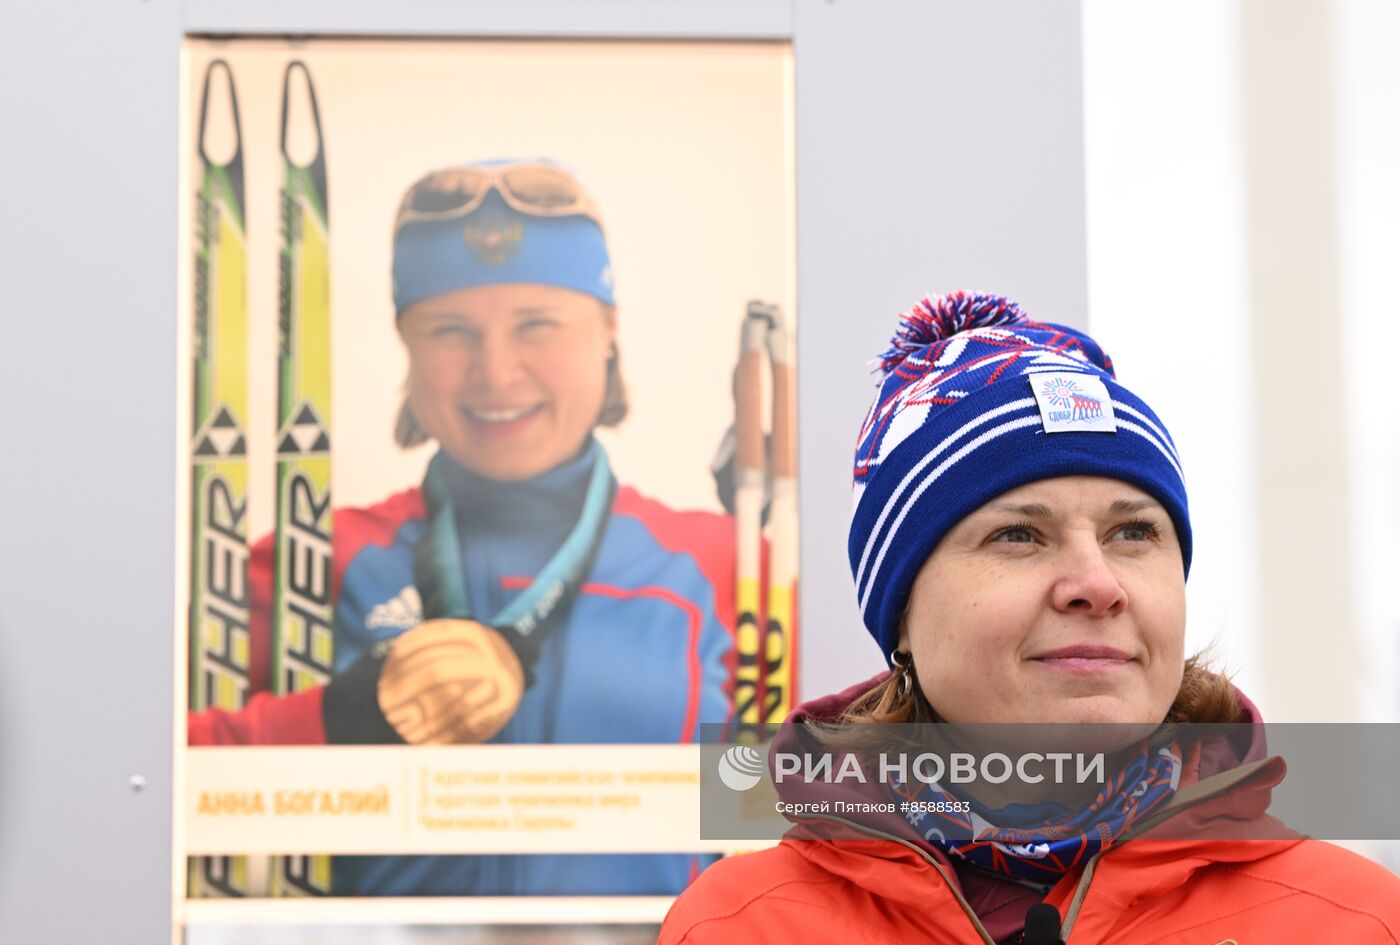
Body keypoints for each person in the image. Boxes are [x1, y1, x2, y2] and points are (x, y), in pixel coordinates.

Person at [660, 291, 1400, 943]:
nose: (1097, 583)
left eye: (1134, 532)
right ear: (903, 617)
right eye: (1019, 534)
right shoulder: (739, 925)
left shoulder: (1355, 921)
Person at [189, 159, 744, 896]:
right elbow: (135, 785)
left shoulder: (720, 567)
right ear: (407, 345)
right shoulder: (311, 563)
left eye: (537, 325)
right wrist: (337, 719)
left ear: (608, 330)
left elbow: (858, 810)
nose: (496, 370)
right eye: (451, 330)